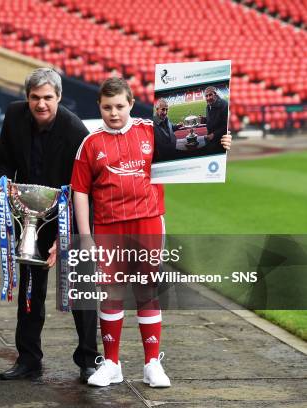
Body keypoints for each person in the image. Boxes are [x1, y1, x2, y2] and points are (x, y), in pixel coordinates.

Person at [71, 77, 232, 389]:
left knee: (147, 290)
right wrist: (86, 236)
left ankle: (152, 363)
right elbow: (80, 191)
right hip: (108, 226)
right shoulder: (90, 144)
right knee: (112, 294)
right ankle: (112, 364)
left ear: (131, 104)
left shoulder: (150, 130)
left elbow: (190, 152)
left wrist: (220, 144)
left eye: (119, 106)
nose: (114, 113)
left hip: (147, 221)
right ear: (99, 107)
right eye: (107, 107)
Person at [0, 67, 99, 382]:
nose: (41, 104)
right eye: (35, 98)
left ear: (59, 97)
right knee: (30, 287)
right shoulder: (14, 116)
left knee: (81, 287)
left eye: (48, 98)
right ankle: (28, 359)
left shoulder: (75, 130)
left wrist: (67, 235)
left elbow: (86, 186)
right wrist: (6, 189)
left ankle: (88, 361)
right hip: (30, 213)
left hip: (70, 212)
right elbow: (6, 161)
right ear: (26, 98)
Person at [201, 86, 229, 155]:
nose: (208, 98)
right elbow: (212, 118)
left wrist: (214, 134)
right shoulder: (208, 105)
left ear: (215, 94)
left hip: (220, 142)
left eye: (210, 95)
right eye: (206, 96)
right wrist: (204, 120)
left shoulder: (224, 105)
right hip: (210, 138)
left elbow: (227, 126)